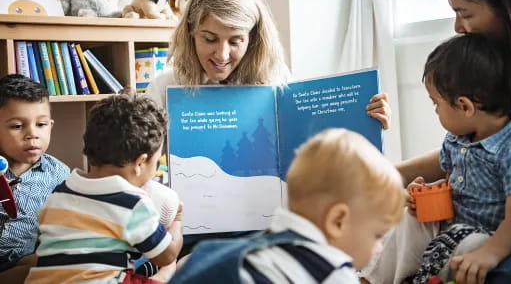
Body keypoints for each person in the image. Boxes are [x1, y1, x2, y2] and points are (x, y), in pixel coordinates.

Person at [396, 0, 511, 281]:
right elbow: (466, 154)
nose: (457, 27)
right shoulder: (493, 66)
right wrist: (398, 177)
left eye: (464, 13)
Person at [361, 34, 511, 284]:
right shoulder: (456, 139)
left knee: (475, 246)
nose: (435, 111)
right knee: (408, 221)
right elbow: (452, 185)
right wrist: (425, 194)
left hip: (484, 235)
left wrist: (491, 252)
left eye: (436, 104)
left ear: (465, 107)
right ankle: (370, 279)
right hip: (449, 223)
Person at [145, 0, 391, 130]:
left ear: (252, 40)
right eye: (209, 39)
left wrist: (365, 120)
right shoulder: (165, 86)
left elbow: (308, 135)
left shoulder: (275, 77)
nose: (221, 55)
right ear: (190, 33)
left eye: (235, 41)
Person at [170, 128, 405, 284]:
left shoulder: (237, 252)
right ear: (338, 221)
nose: (378, 249)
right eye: (377, 235)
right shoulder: (331, 273)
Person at [25, 93, 183, 284]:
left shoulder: (57, 194)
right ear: (140, 162)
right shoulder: (133, 203)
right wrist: (177, 221)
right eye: (156, 163)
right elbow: (166, 254)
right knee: (171, 267)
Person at [0, 75, 70, 279]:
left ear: (51, 126)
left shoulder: (59, 174)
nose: (32, 134)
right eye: (17, 126)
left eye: (41, 124)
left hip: (23, 260)